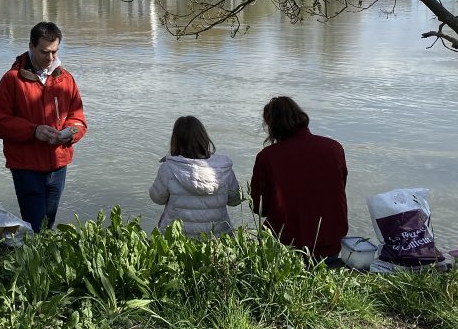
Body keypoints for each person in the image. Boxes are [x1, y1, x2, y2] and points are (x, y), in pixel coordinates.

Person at [0, 21, 86, 232]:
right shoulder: (11, 80)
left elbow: (78, 118)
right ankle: (36, 262)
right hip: (26, 167)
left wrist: (70, 133)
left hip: (58, 164)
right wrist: (34, 131)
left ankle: (40, 260)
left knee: (48, 224)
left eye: (54, 52)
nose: (50, 58)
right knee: (36, 226)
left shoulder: (66, 79)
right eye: (44, 52)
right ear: (31, 46)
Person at [249, 96, 348, 260]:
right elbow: (339, 189)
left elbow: (259, 207)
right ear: (300, 116)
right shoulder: (334, 148)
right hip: (330, 242)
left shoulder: (268, 157)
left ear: (272, 125)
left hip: (286, 245)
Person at [149, 116, 241, 237]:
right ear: (204, 138)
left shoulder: (168, 168)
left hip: (177, 238)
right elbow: (235, 200)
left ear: (175, 140)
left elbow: (157, 198)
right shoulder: (223, 168)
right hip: (218, 238)